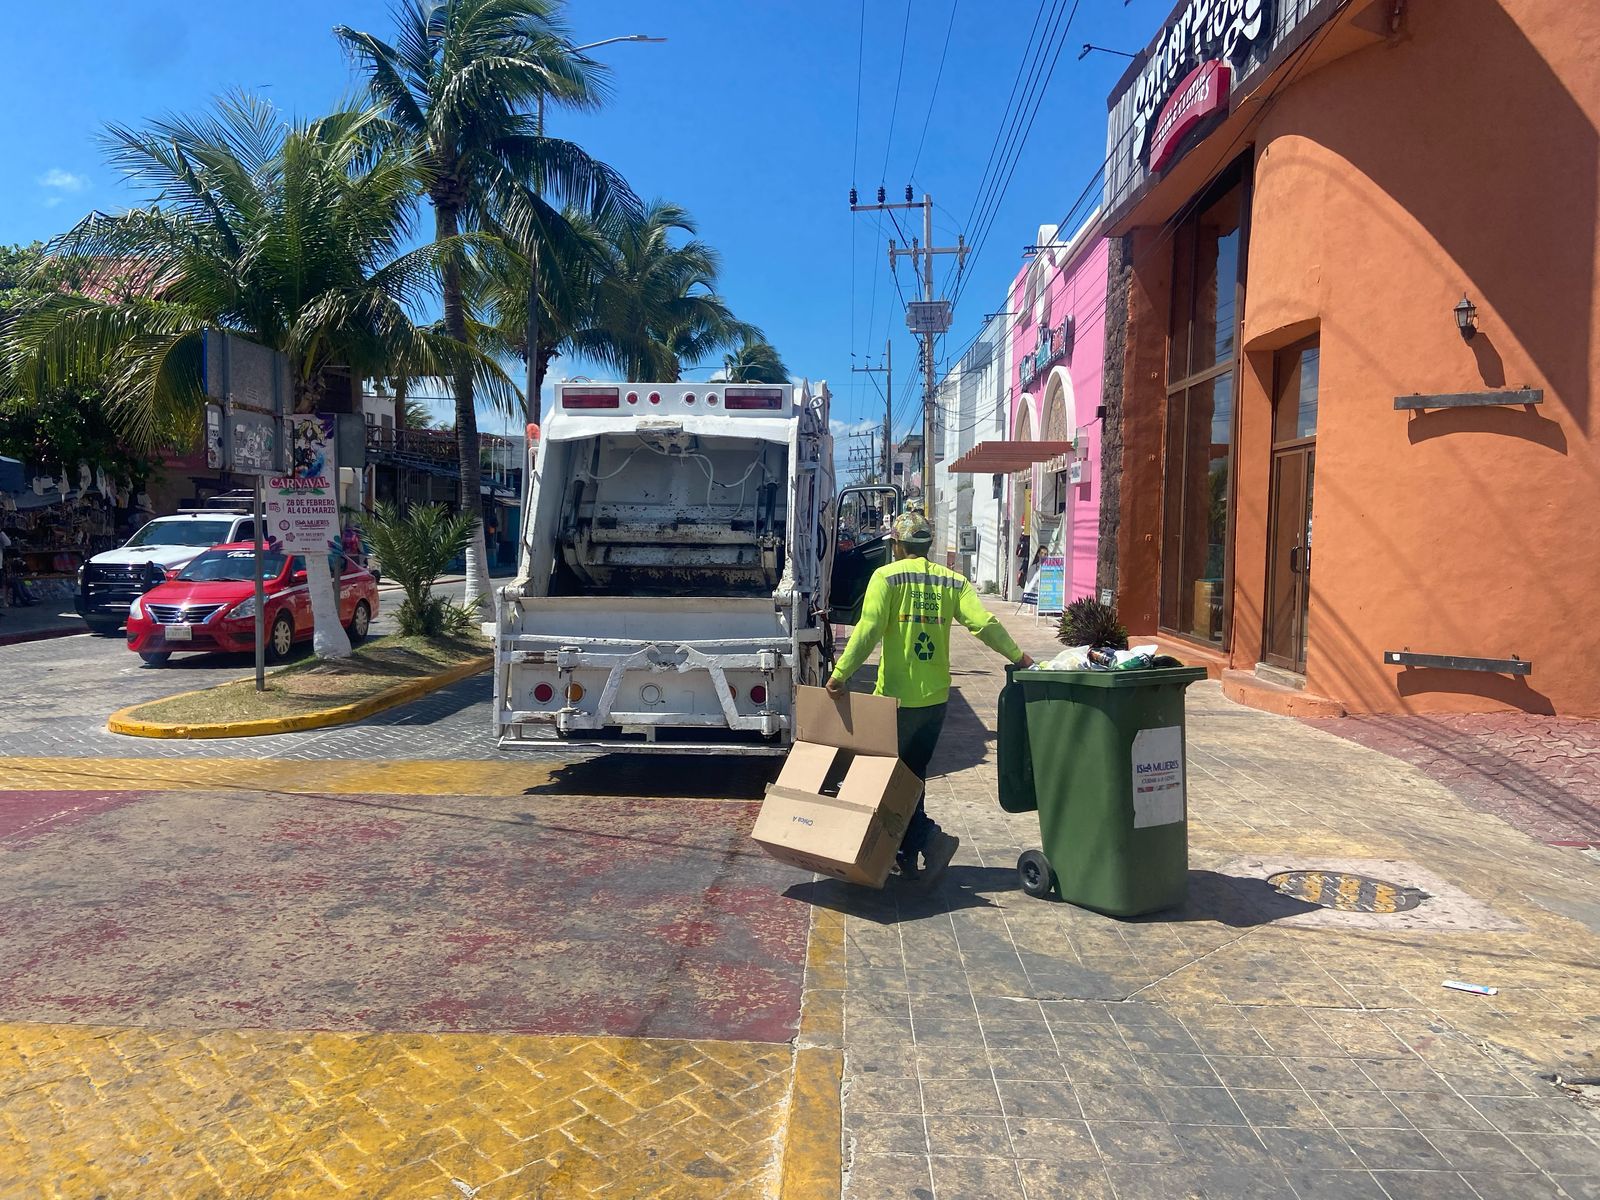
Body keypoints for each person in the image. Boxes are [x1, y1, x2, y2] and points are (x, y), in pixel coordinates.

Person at [826, 511, 1034, 884]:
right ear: (928, 545)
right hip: (935, 701)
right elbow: (983, 624)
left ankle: (928, 839)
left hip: (896, 702)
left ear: (896, 545)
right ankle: (905, 853)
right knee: (913, 776)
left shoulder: (886, 577)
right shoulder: (953, 582)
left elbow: (869, 629)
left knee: (888, 779)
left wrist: (840, 674)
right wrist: (1019, 656)